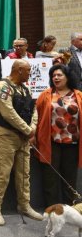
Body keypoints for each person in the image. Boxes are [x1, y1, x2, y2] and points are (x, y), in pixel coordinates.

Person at [0, 59, 43, 226]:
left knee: (23, 174)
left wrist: (32, 127)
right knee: (1, 174)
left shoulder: (25, 89)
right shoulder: (2, 87)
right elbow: (8, 113)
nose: (29, 74)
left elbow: (34, 110)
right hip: (5, 136)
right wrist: (28, 130)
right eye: (27, 71)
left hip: (23, 138)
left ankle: (24, 205)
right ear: (19, 70)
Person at [36, 64, 82, 206]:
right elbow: (37, 116)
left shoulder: (78, 95)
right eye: (53, 75)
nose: (55, 78)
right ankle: (52, 209)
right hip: (51, 142)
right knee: (50, 178)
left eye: (59, 75)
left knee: (69, 179)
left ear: (68, 77)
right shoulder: (46, 95)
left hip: (72, 144)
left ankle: (70, 209)